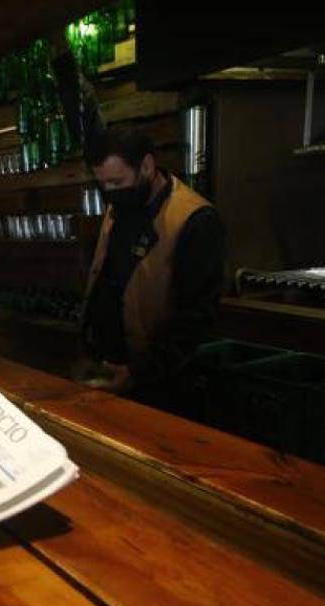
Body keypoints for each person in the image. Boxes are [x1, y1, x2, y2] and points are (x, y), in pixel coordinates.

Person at [77, 128, 225, 408]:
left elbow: (195, 317)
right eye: (103, 185)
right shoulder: (121, 204)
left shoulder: (196, 220)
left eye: (116, 182)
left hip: (160, 385)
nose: (110, 193)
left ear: (146, 166)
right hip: (109, 371)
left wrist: (138, 373)